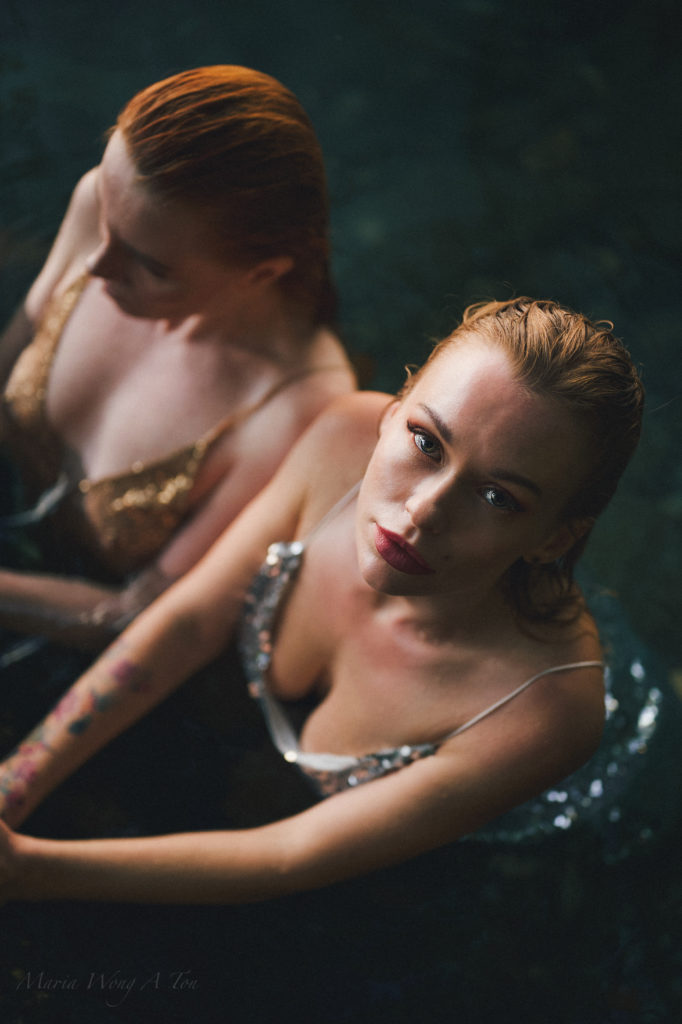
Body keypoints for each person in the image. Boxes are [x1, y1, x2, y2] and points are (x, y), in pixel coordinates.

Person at [0, 297, 645, 904]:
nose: (422, 512)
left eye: (498, 497)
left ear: (554, 536)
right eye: (426, 442)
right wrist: (15, 784)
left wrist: (27, 868)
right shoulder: (343, 439)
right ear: (393, 410)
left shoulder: (549, 711)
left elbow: (292, 854)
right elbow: (189, 622)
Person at [0, 65, 355, 649]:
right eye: (105, 222)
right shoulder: (111, 206)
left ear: (260, 274)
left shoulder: (297, 411)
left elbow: (135, 616)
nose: (96, 265)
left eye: (152, 267)